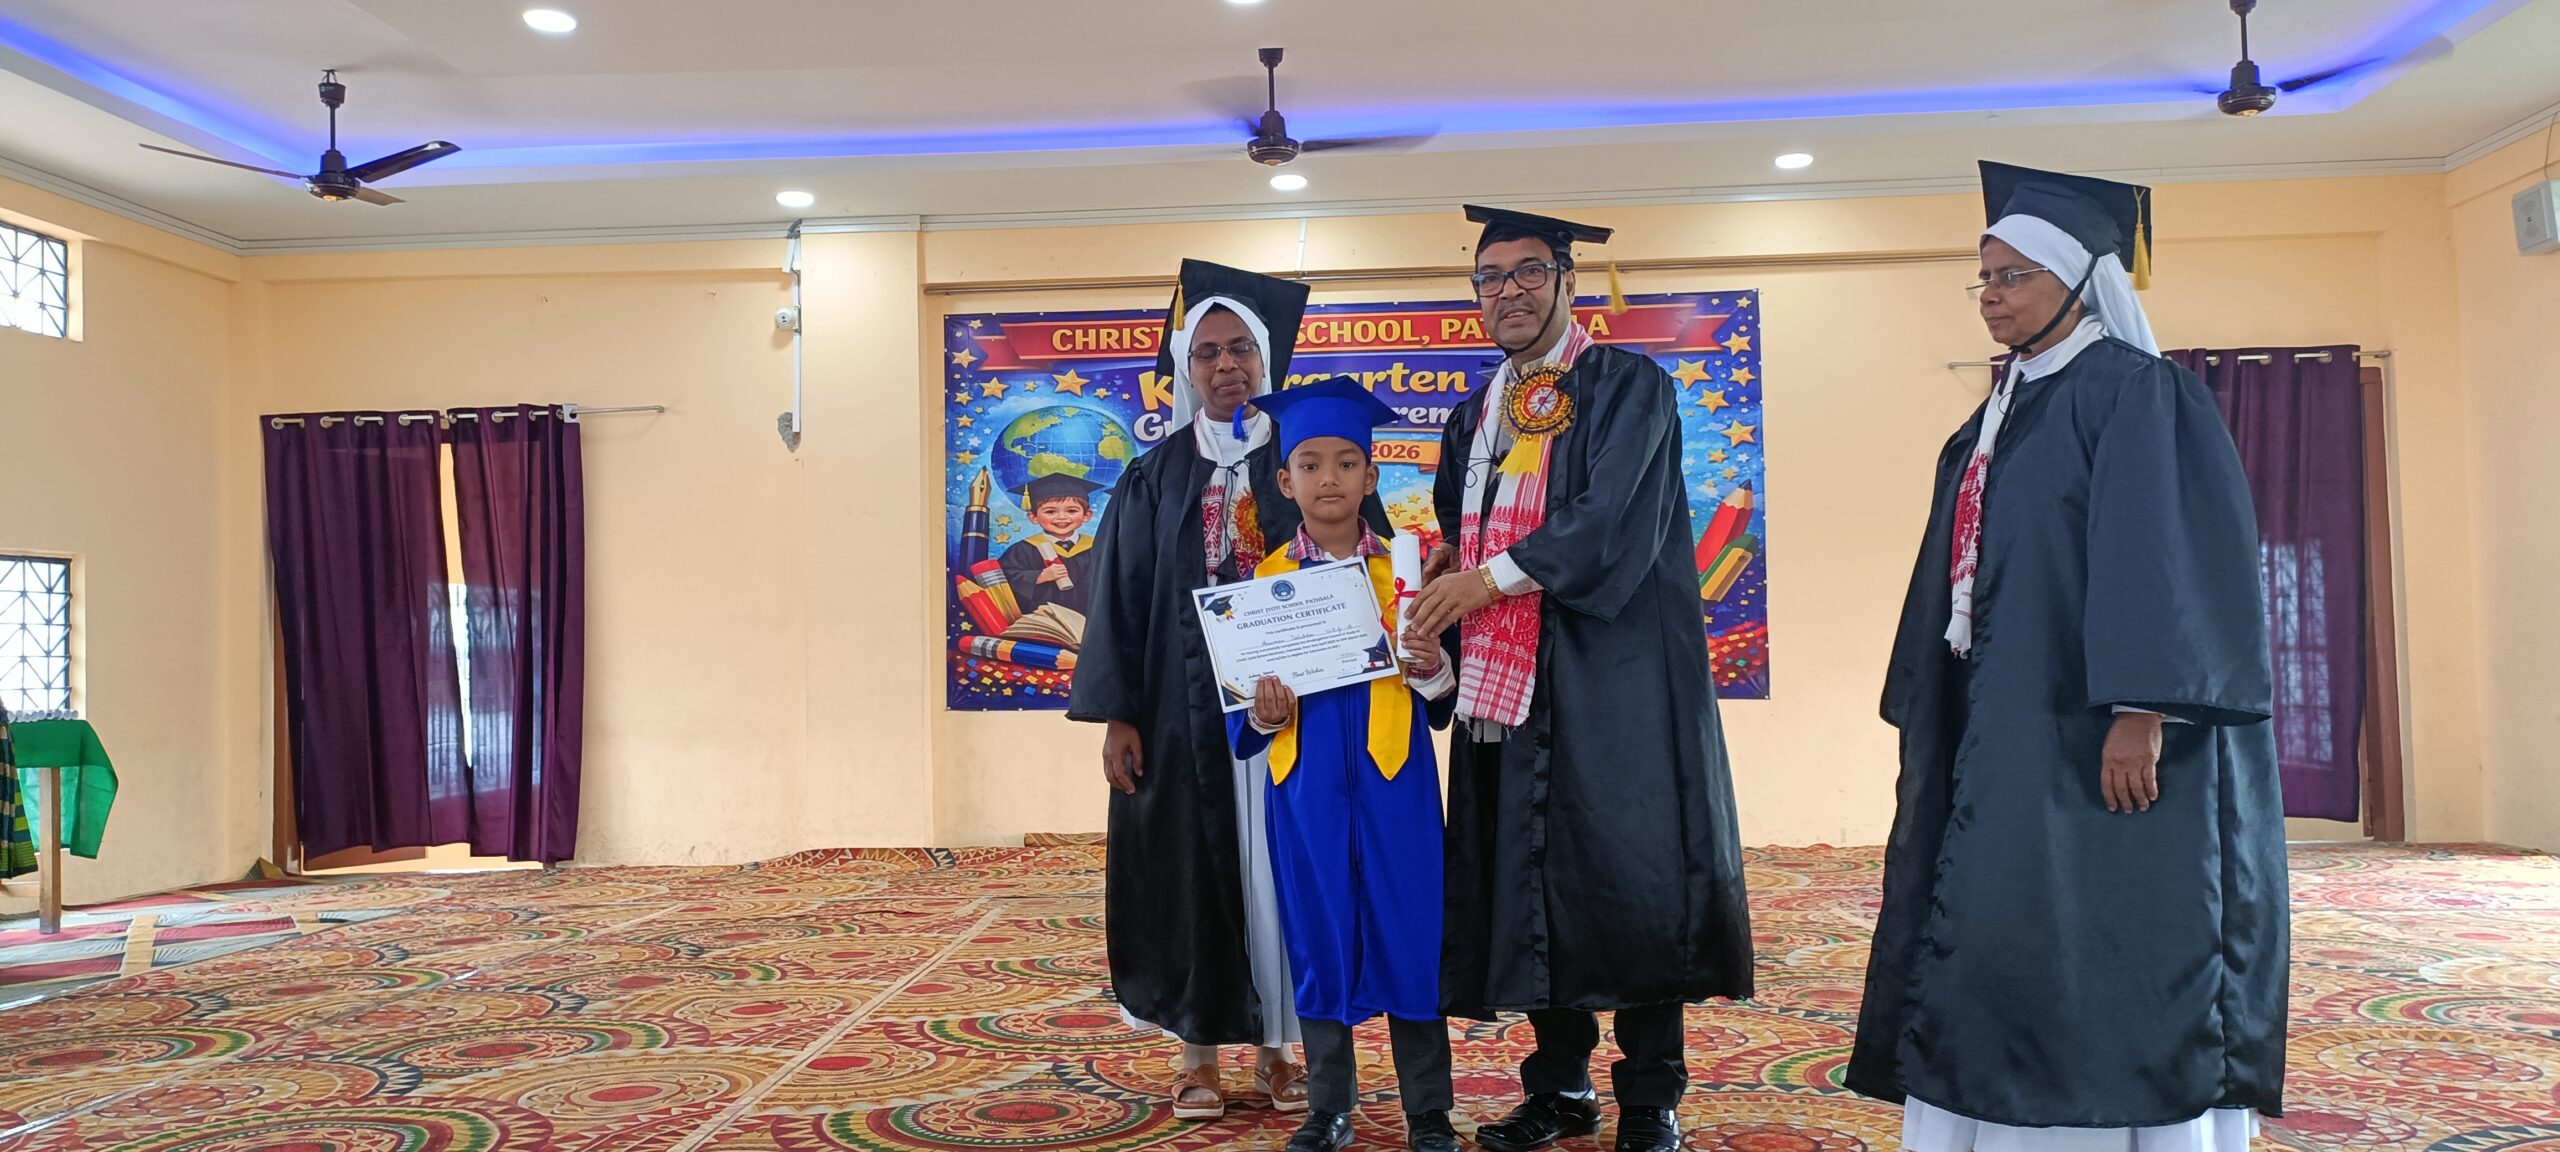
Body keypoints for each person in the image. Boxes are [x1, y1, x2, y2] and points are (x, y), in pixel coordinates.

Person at [1847, 162, 2288, 1152]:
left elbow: (2163, 555)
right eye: (1984, 277)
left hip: (2097, 730)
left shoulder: (2137, 394)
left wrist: (2141, 709)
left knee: (2097, 928)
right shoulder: (2004, 407)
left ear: (2082, 279)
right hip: (2004, 720)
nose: (1991, 297)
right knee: (1999, 918)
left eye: (2014, 276)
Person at [1403, 206, 1754, 1152]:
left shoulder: (1628, 386)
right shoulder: (1472, 418)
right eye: (1489, 278)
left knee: (1635, 878)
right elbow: (1463, 533)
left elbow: (1609, 523)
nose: (1507, 292)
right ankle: (1559, 1088)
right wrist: (1447, 573)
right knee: (1525, 878)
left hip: (1616, 678)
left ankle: (1649, 1098)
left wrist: (1486, 579)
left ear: (1567, 281)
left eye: (1528, 272)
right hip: (1507, 686)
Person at [1069, 259, 1386, 1121]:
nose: (1225, 365)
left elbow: (1364, 571)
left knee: (1287, 876)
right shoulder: (1155, 476)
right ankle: (1197, 1054)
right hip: (1181, 718)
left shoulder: (1307, 460)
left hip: (1298, 712)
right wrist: (1120, 716)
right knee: (1191, 875)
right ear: (1187, 367)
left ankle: (1281, 1050)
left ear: (1266, 358)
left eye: (1240, 348)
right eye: (1207, 352)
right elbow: (1119, 599)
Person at [1227, 377, 1463, 1152]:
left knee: (1412, 932)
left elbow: (1442, 699)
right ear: (1285, 480)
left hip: (1398, 783)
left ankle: (1429, 1109)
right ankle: (1329, 1106)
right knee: (1319, 934)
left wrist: (1430, 665)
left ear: (1371, 476)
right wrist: (1263, 714)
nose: (1328, 478)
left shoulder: (1410, 574)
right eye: (1310, 464)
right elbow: (1242, 720)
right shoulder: (1261, 586)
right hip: (1305, 790)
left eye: (1346, 463)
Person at [998, 473, 1101, 617]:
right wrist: (1039, 576)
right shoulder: (1022, 550)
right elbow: (1004, 581)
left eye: (1071, 511)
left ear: (1086, 515)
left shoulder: (1098, 548)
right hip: (1041, 621)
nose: (1061, 517)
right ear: (1033, 517)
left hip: (1091, 620)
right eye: (1050, 511)